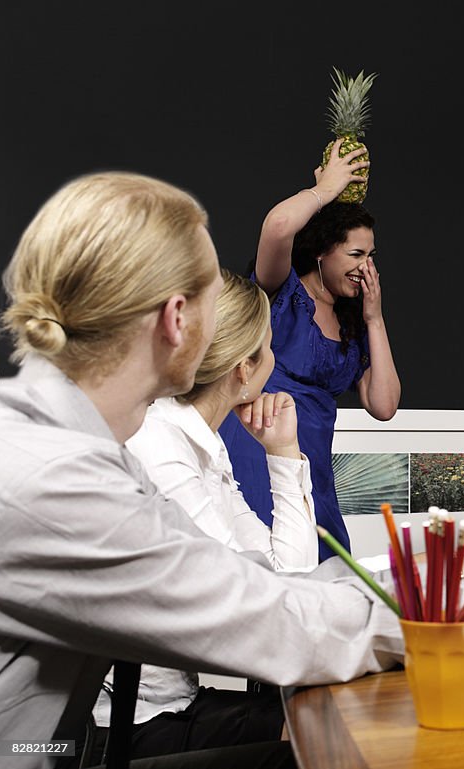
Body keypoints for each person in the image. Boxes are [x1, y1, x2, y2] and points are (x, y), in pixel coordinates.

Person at [0, 172, 404, 769]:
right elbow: (266, 622)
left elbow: (261, 583)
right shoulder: (57, 477)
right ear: (177, 318)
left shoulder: (92, 449)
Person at [89, 270, 319, 759]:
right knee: (318, 736)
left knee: (322, 718)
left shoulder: (201, 447)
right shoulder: (159, 448)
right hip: (126, 727)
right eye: (269, 347)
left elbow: (292, 581)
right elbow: (257, 611)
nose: (274, 361)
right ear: (243, 369)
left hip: (174, 703)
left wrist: (284, 451)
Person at [220, 147, 400, 558]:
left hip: (310, 466)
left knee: (322, 573)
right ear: (321, 252)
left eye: (371, 256)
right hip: (254, 449)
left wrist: (374, 318)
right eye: (356, 254)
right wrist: (325, 189)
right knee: (267, 564)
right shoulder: (280, 292)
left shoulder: (354, 325)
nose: (366, 266)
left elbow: (385, 405)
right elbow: (279, 225)